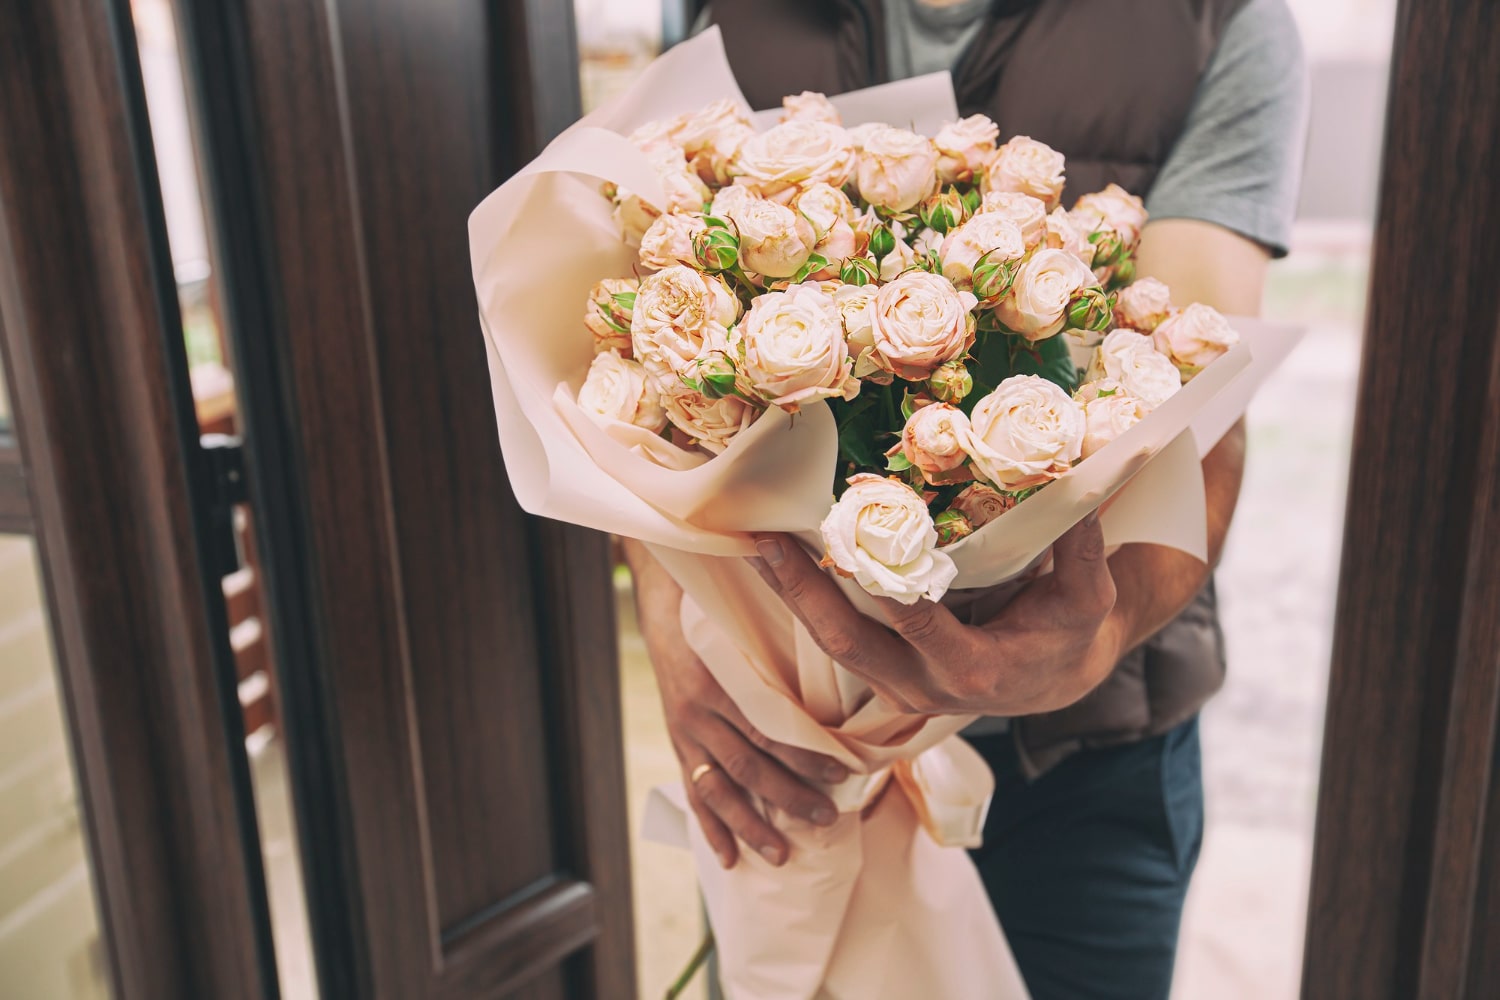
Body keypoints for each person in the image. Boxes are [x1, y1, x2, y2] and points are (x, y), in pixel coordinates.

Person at [623, 1, 1308, 996]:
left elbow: (1196, 416)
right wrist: (668, 609)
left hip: (1082, 767)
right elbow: (654, 358)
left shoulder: (1219, 21)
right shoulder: (721, 12)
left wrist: (1097, 639)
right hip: (787, 746)